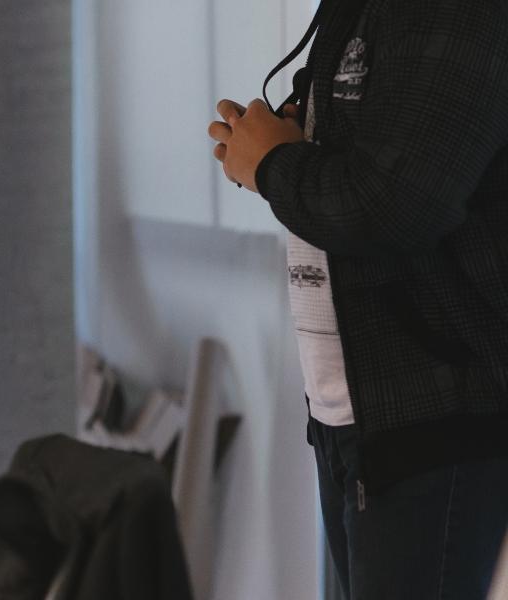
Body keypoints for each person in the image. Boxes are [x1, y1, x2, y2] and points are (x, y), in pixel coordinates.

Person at [208, 0, 508, 597]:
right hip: (354, 409)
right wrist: (278, 144)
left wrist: (273, 164)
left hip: (438, 415)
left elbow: (393, 205)